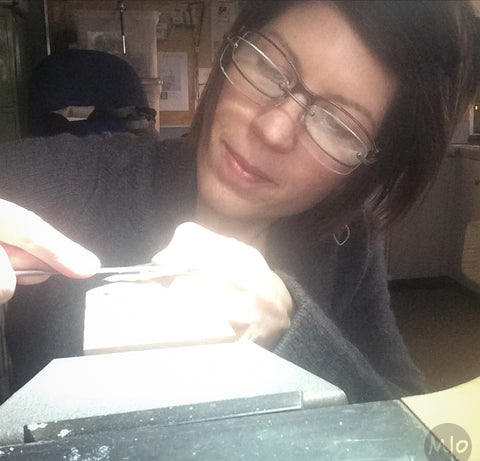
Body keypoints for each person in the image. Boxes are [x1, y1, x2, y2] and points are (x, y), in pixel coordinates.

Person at [0, 0, 478, 402]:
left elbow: (405, 421)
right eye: (270, 69)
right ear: (234, 48)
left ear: (366, 166)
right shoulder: (80, 181)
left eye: (336, 123)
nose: (273, 130)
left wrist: (293, 329)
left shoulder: (346, 243)